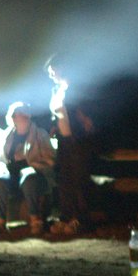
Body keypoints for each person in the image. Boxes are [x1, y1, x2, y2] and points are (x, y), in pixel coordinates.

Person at [0, 101, 56, 235]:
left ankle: (35, 221)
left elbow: (50, 159)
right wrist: (1, 168)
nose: (16, 117)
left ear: (27, 116)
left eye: (20, 114)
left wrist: (34, 166)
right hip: (13, 176)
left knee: (28, 176)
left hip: (36, 177)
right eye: (14, 115)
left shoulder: (40, 135)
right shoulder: (7, 135)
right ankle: (0, 223)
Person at [49, 91, 99, 236]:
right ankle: (66, 218)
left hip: (82, 145)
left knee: (77, 179)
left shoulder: (84, 97)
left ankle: (79, 220)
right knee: (65, 180)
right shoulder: (62, 96)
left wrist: (86, 122)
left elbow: (89, 127)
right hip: (68, 144)